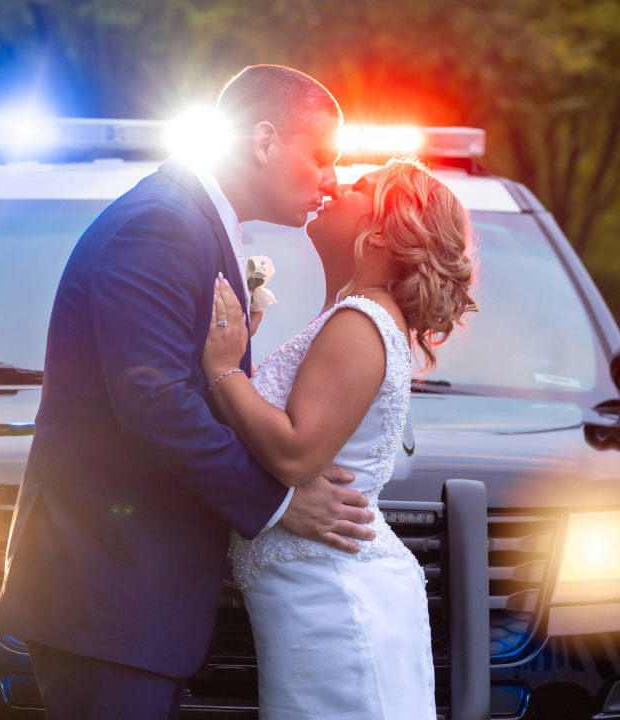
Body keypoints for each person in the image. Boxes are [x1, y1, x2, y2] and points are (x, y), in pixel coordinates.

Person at [0, 65, 380, 719]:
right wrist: (279, 500)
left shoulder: (187, 220)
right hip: (109, 600)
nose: (331, 181)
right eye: (322, 158)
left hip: (133, 606)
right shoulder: (161, 226)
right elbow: (154, 403)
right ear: (263, 141)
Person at [203, 157, 478, 717]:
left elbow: (295, 452)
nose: (332, 185)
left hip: (334, 602)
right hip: (314, 596)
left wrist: (225, 370)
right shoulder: (356, 316)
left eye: (357, 186)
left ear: (379, 229)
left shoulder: (361, 320)